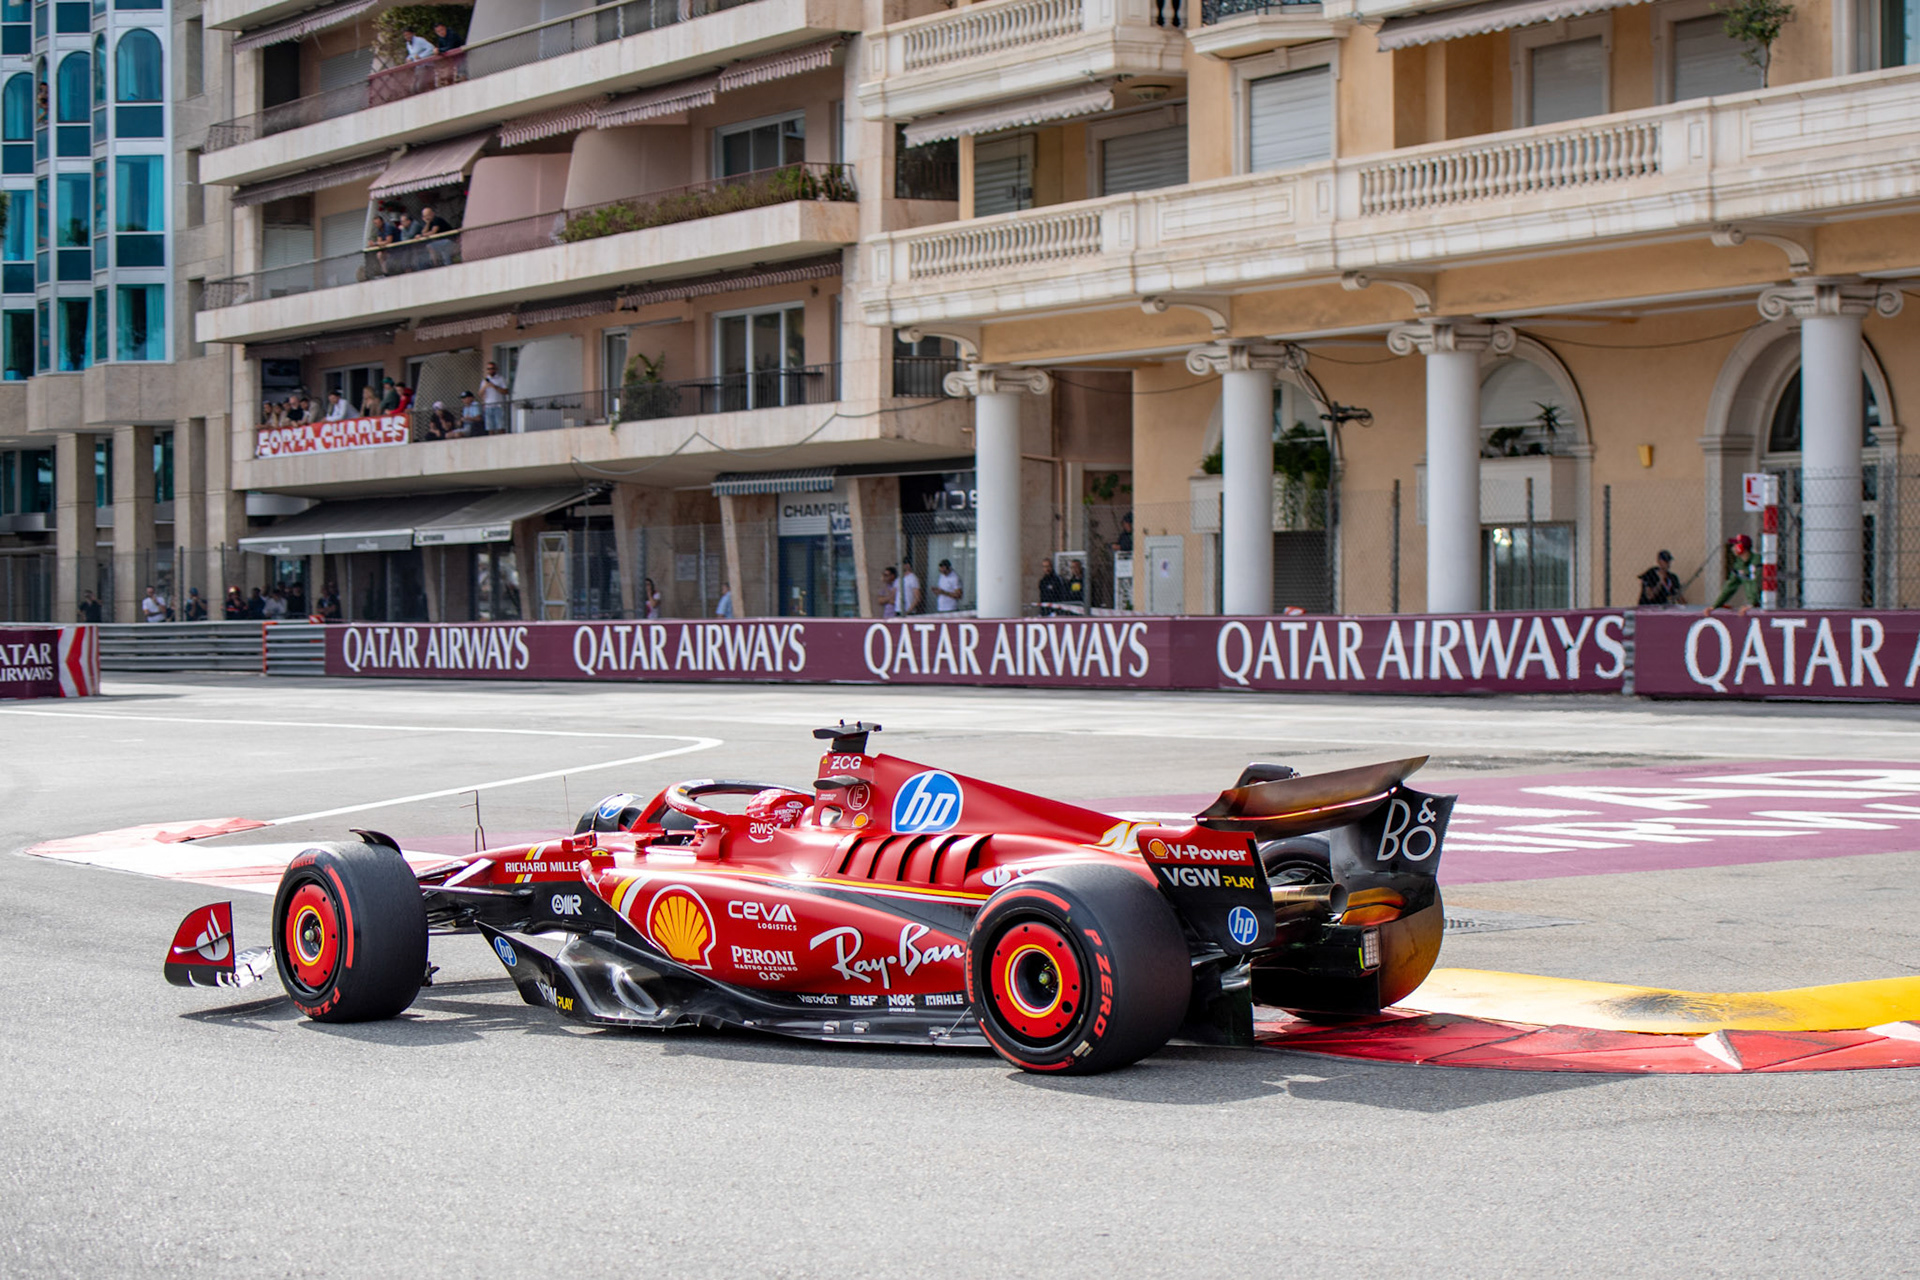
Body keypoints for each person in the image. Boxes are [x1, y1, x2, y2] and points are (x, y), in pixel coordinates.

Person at [1706, 534, 1761, 616]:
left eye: (1735, 545)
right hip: (1754, 604)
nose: (1733, 548)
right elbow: (1730, 586)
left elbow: (1756, 583)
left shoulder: (1756, 560)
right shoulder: (1739, 564)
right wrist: (1716, 605)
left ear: (1741, 547)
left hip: (1763, 602)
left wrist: (1752, 604)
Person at [480, 361, 510, 435]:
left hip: (498, 405)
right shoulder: (484, 381)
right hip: (488, 406)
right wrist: (484, 387)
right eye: (489, 369)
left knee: (500, 426)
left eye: (492, 368)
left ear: (496, 369)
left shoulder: (500, 379)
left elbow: (505, 391)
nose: (490, 370)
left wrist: (494, 386)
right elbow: (480, 394)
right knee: (490, 427)